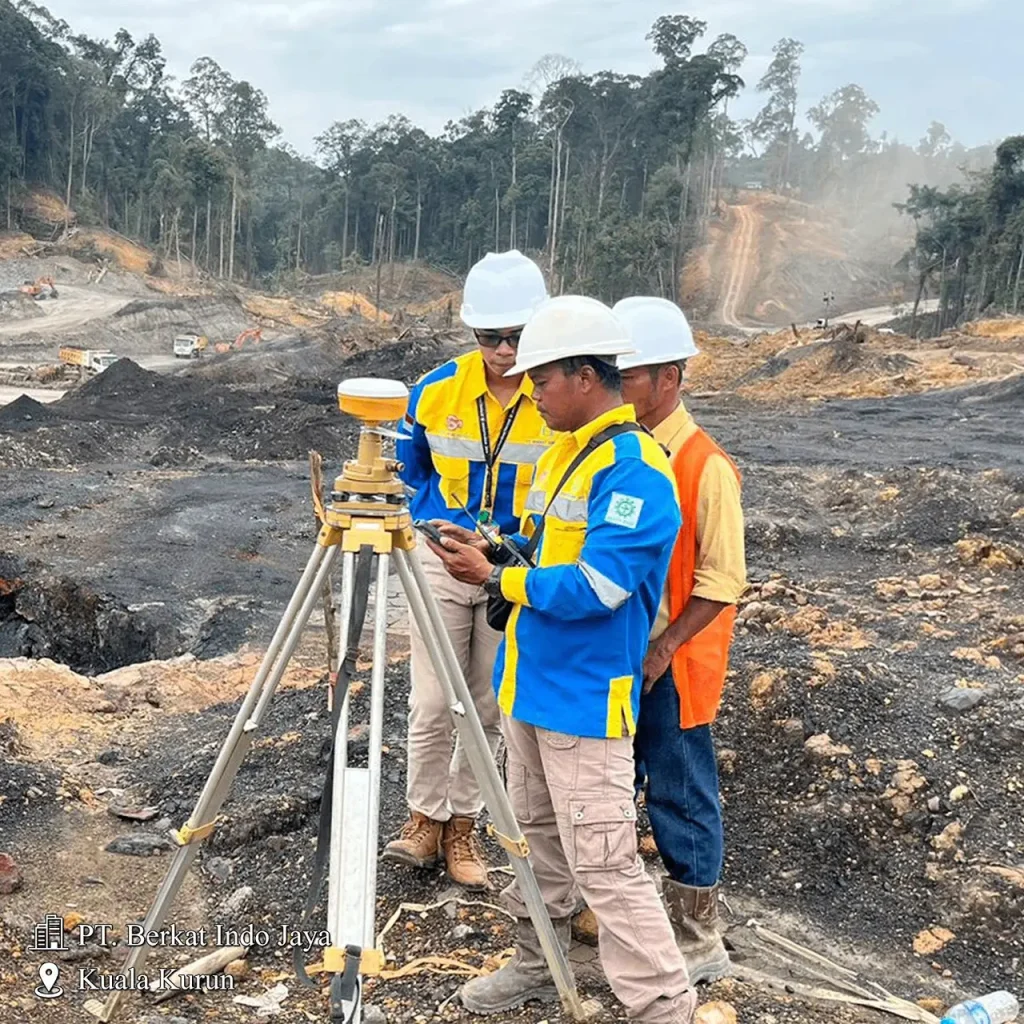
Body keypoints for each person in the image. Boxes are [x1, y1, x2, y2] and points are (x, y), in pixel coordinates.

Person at [427, 296, 696, 1024]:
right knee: (534, 842)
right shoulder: (562, 456)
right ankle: (537, 965)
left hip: (585, 698)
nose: (530, 391)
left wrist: (495, 579)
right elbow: (544, 547)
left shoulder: (636, 471)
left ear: (584, 376)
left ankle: (663, 1006)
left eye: (541, 380)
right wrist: (494, 545)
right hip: (532, 686)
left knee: (605, 865)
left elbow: (598, 586)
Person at [387, 250, 553, 890]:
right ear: (472, 333)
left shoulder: (554, 397)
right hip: (443, 562)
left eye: (518, 336)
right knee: (432, 700)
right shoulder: (436, 390)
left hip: (510, 569)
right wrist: (439, 526)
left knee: (485, 704)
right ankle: (423, 818)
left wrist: (506, 549)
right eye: (493, 338)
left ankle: (464, 824)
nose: (507, 350)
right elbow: (412, 472)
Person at [615, 296, 747, 983]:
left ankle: (698, 933)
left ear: (668, 378)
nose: (615, 387)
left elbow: (723, 581)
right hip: (621, 656)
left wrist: (663, 650)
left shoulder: (704, 465)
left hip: (677, 661)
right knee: (614, 783)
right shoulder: (620, 453)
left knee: (679, 786)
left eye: (626, 375)